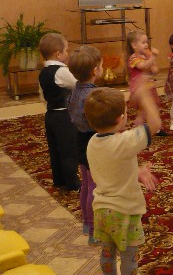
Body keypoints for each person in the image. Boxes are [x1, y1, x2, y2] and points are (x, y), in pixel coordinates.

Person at [85, 84, 160, 275]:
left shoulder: (92, 142)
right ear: (121, 118)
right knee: (129, 257)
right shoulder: (124, 141)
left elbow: (111, 169)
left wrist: (136, 172)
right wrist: (145, 96)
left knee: (107, 252)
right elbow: (155, 124)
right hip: (125, 211)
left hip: (101, 210)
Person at [68, 45, 103, 244]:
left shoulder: (75, 90)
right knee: (94, 187)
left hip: (79, 139)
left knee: (86, 184)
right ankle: (93, 231)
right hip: (93, 141)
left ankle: (86, 224)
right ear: (95, 70)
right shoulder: (94, 95)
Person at [38, 33, 80, 191]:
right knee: (68, 149)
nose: (67, 53)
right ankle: (72, 182)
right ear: (58, 54)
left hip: (51, 114)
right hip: (64, 116)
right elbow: (77, 84)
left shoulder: (44, 71)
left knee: (55, 149)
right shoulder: (61, 71)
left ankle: (59, 179)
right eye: (66, 50)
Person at [126, 29, 167, 135]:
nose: (146, 45)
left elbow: (155, 69)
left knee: (152, 107)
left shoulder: (146, 56)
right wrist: (153, 57)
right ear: (134, 45)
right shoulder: (133, 58)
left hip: (149, 86)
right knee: (141, 112)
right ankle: (138, 130)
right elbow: (143, 66)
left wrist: (152, 60)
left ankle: (155, 128)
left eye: (146, 42)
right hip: (140, 89)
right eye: (143, 42)